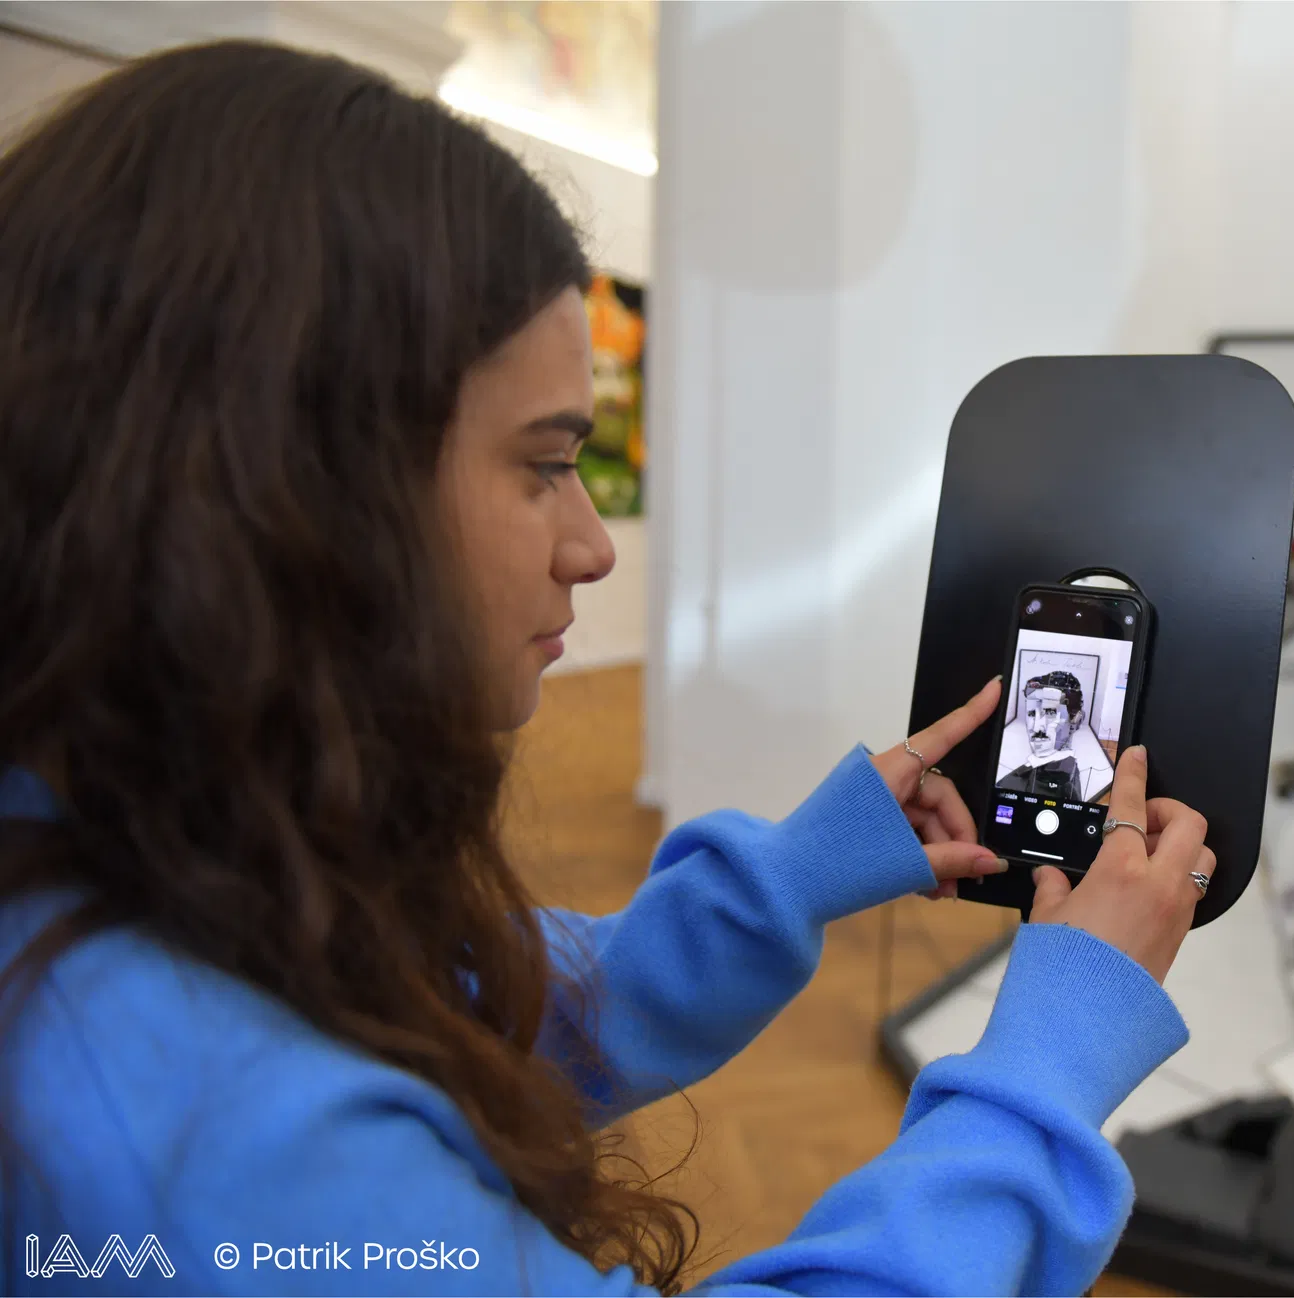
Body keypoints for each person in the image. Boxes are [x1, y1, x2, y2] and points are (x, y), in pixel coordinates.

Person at [0, 42, 1217, 1296]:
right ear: (287, 486)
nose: (592, 545)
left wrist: (795, 873)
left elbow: (480, 1011)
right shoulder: (211, 1140)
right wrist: (1048, 1059)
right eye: (541, 464)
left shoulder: (146, 856)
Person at [995, 671, 1112, 802]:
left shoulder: (1062, 785)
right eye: (1032, 714)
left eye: (1050, 713)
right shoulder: (1024, 774)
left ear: (1076, 719)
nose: (1036, 727)